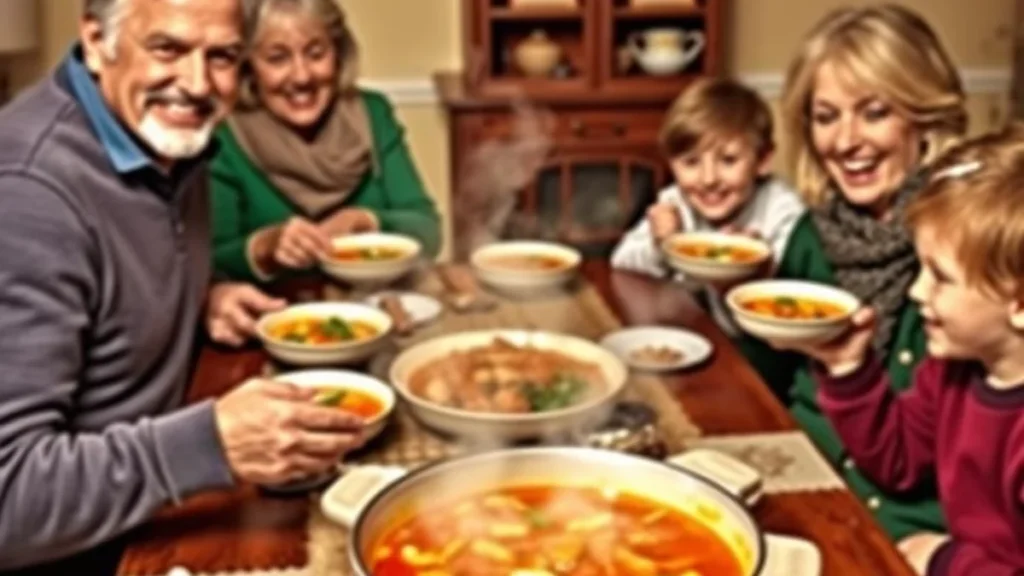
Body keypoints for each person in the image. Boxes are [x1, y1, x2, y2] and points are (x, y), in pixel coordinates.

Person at [0, 0, 364, 573]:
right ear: (96, 42)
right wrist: (211, 445)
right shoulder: (28, 195)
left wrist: (204, 293)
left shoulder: (161, 137)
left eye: (221, 56)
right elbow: (9, 500)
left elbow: (113, 273)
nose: (197, 85)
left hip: (156, 508)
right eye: (167, 49)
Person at [767, 4, 967, 541]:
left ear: (924, 117)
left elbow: (936, 455)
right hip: (803, 483)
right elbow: (770, 378)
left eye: (874, 112)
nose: (845, 140)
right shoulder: (815, 233)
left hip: (911, 527)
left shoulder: (962, 244)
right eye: (826, 116)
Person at [806, 127, 1024, 574]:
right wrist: (850, 370)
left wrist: (946, 560)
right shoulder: (955, 371)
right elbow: (898, 459)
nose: (916, 290)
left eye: (940, 276)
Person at [210, 0, 442, 284]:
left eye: (316, 54)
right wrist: (266, 247)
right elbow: (211, 261)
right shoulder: (224, 135)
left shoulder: (373, 113)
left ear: (339, 54)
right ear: (248, 68)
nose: (302, 76)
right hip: (276, 320)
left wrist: (367, 221)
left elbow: (429, 233)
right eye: (277, 58)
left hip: (379, 307)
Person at [610, 77, 804, 391]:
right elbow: (622, 263)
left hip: (766, 369)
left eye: (728, 160)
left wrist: (748, 275)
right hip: (691, 347)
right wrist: (661, 244)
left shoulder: (783, 212)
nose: (709, 179)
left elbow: (775, 323)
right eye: (691, 162)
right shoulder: (677, 203)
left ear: (763, 159)